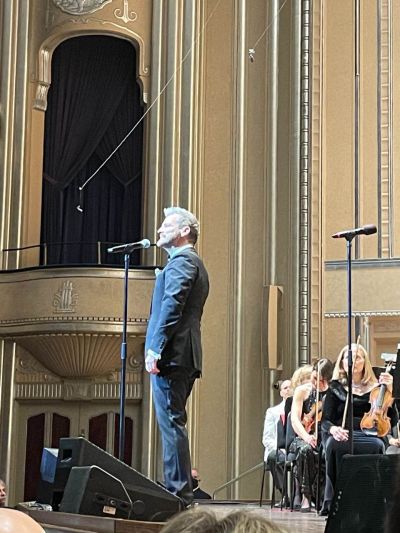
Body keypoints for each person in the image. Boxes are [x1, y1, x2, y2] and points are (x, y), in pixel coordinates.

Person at [145, 207, 209, 507]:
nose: (159, 230)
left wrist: (155, 347)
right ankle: (180, 492)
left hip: (173, 353)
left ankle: (178, 495)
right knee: (173, 422)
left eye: (166, 225)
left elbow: (173, 304)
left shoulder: (184, 261)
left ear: (184, 231)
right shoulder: (187, 262)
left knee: (171, 423)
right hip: (183, 353)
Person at [321, 343, 396, 515]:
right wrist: (333, 430)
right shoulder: (335, 388)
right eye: (349, 357)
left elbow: (393, 418)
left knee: (377, 446)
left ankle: (370, 497)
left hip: (370, 432)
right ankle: (337, 499)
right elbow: (325, 421)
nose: (353, 360)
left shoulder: (377, 387)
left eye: (358, 357)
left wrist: (390, 390)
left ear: (365, 362)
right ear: (342, 362)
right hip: (343, 432)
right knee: (334, 444)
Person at [289, 358, 333, 512]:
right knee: (305, 450)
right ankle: (306, 497)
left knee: (332, 450)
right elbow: (295, 419)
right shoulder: (302, 391)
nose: (316, 383)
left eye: (321, 380)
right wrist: (306, 436)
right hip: (302, 436)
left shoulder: (333, 392)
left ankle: (326, 498)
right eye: (315, 378)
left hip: (324, 436)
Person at [262, 379, 292, 504]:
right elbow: (267, 438)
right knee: (275, 457)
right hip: (277, 449)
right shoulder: (272, 411)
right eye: (285, 388)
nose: (289, 389)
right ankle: (285, 494)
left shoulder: (302, 409)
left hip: (293, 448)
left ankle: (302, 496)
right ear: (281, 393)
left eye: (291, 387)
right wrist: (282, 449)